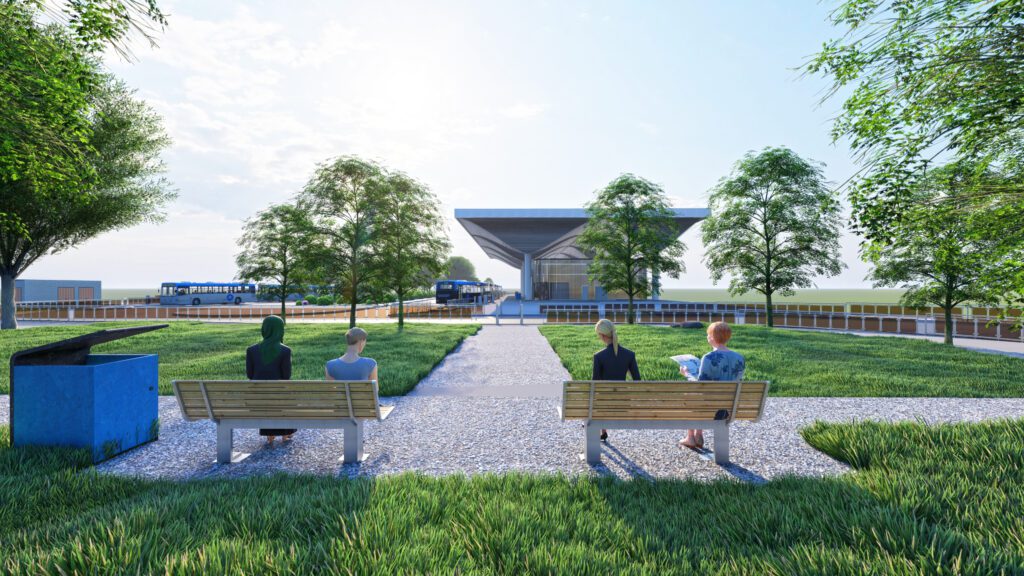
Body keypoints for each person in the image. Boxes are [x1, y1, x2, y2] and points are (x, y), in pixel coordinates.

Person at [679, 321, 745, 450]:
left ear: (712, 337)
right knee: (702, 396)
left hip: (711, 405)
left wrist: (686, 373)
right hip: (730, 404)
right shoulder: (739, 357)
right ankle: (698, 435)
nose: (707, 337)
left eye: (708, 334)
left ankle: (691, 437)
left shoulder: (708, 357)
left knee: (692, 395)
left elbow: (700, 385)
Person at [246, 315, 294, 444]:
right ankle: (286, 433)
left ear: (264, 329)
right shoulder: (285, 351)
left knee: (266, 396)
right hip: (279, 396)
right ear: (280, 330)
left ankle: (270, 433)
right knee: (283, 395)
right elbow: (286, 376)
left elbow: (250, 374)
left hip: (258, 397)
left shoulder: (251, 350)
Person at [592, 318, 641, 442]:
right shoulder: (629, 355)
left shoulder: (599, 356)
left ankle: (600, 429)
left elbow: (594, 384)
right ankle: (603, 432)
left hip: (604, 405)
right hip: (623, 403)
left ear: (602, 336)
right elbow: (637, 381)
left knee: (597, 399)